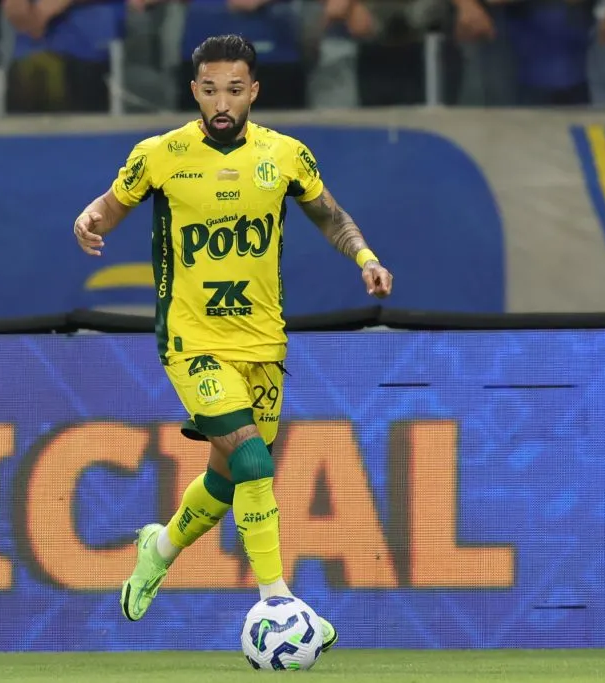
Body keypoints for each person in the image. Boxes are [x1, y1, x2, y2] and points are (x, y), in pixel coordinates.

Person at [72, 33, 393, 650]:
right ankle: (280, 601)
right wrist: (87, 221)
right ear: (195, 91)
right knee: (252, 460)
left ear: (254, 92)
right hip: (192, 338)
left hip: (263, 342)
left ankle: (157, 547)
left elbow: (329, 213)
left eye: (235, 90)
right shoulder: (161, 154)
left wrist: (365, 257)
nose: (223, 102)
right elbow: (110, 207)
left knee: (227, 479)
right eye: (211, 90)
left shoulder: (286, 155)